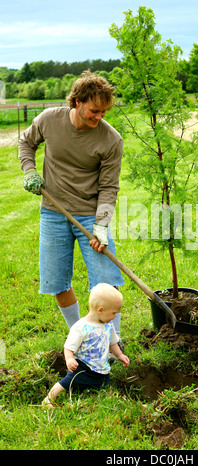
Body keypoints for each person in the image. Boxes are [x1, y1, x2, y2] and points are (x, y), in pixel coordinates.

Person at [18, 71, 124, 340]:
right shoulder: (49, 120)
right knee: (57, 281)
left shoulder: (111, 140)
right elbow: (26, 142)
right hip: (53, 212)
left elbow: (109, 187)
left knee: (106, 281)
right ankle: (81, 335)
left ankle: (112, 342)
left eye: (104, 112)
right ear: (76, 101)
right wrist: (29, 169)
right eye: (94, 111)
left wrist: (101, 223)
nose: (99, 117)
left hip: (90, 215)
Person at [42, 283, 130, 408]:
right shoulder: (81, 327)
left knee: (104, 387)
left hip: (101, 368)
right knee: (67, 382)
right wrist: (69, 359)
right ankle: (49, 399)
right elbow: (69, 346)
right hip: (83, 366)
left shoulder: (108, 325)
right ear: (100, 310)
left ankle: (92, 395)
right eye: (114, 313)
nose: (115, 316)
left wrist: (120, 355)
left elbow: (113, 343)